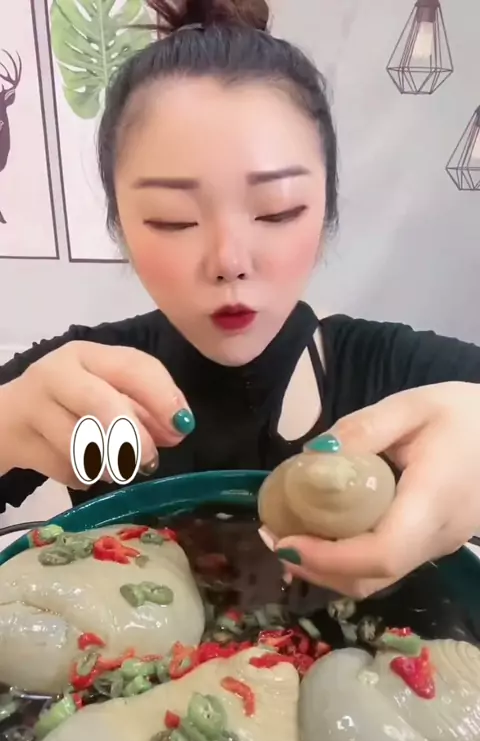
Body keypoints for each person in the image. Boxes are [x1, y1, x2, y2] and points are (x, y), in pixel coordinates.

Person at [1, 0, 480, 600]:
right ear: (121, 226)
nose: (229, 260)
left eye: (277, 211)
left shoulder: (401, 376)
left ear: (325, 212)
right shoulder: (77, 380)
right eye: (173, 219)